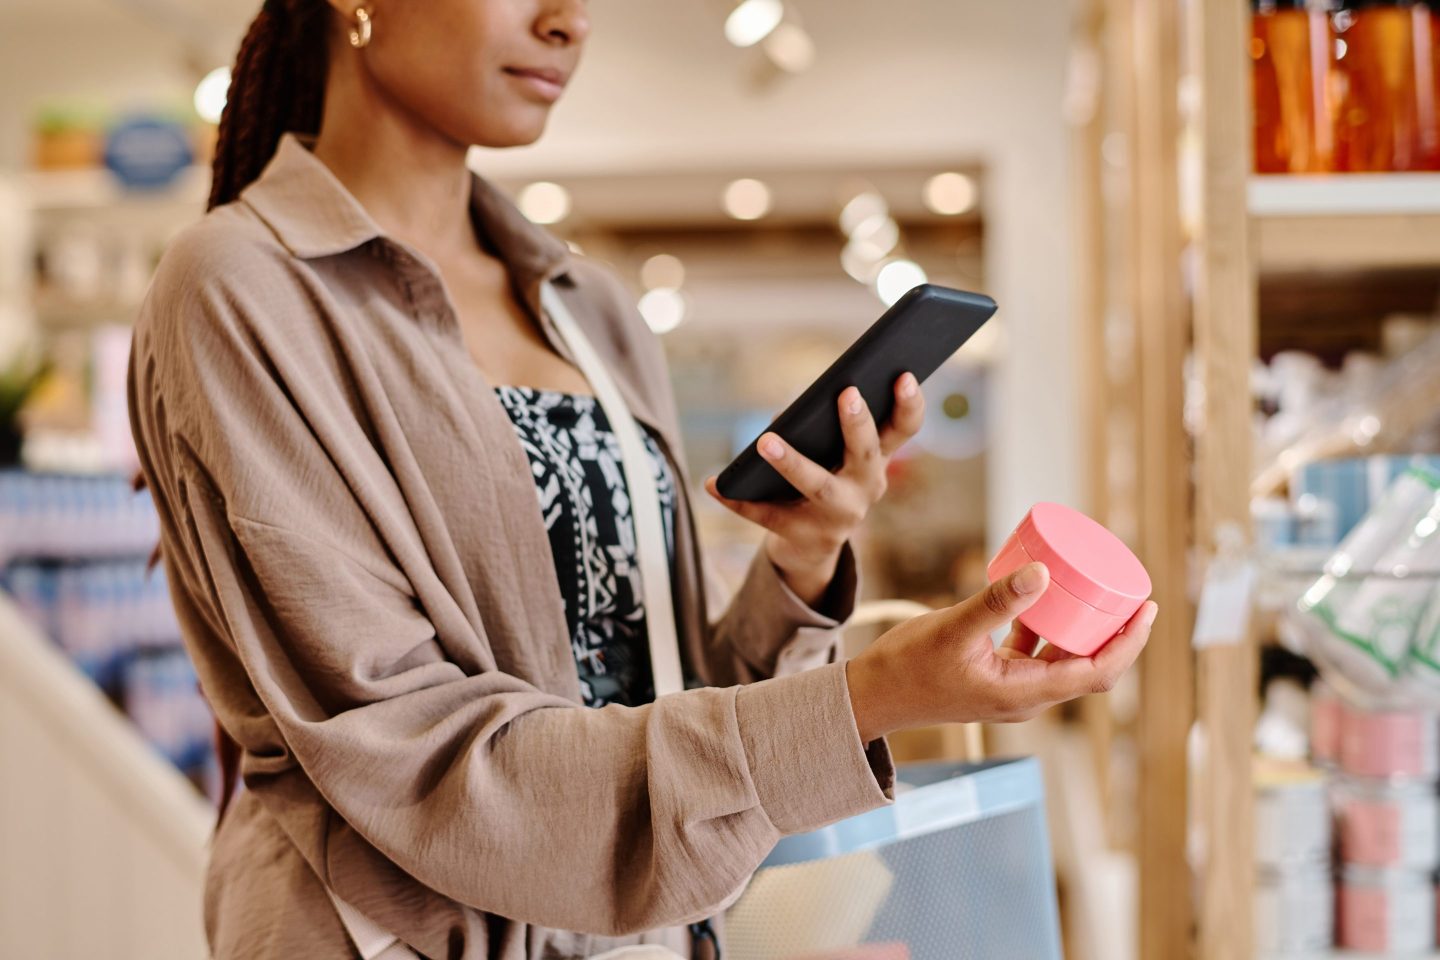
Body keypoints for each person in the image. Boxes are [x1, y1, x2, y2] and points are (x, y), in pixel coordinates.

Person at [126, 1, 1157, 958]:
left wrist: (799, 567)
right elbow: (418, 754)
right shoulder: (242, 290)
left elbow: (659, 697)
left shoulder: (590, 308)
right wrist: (874, 695)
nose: (567, 20)